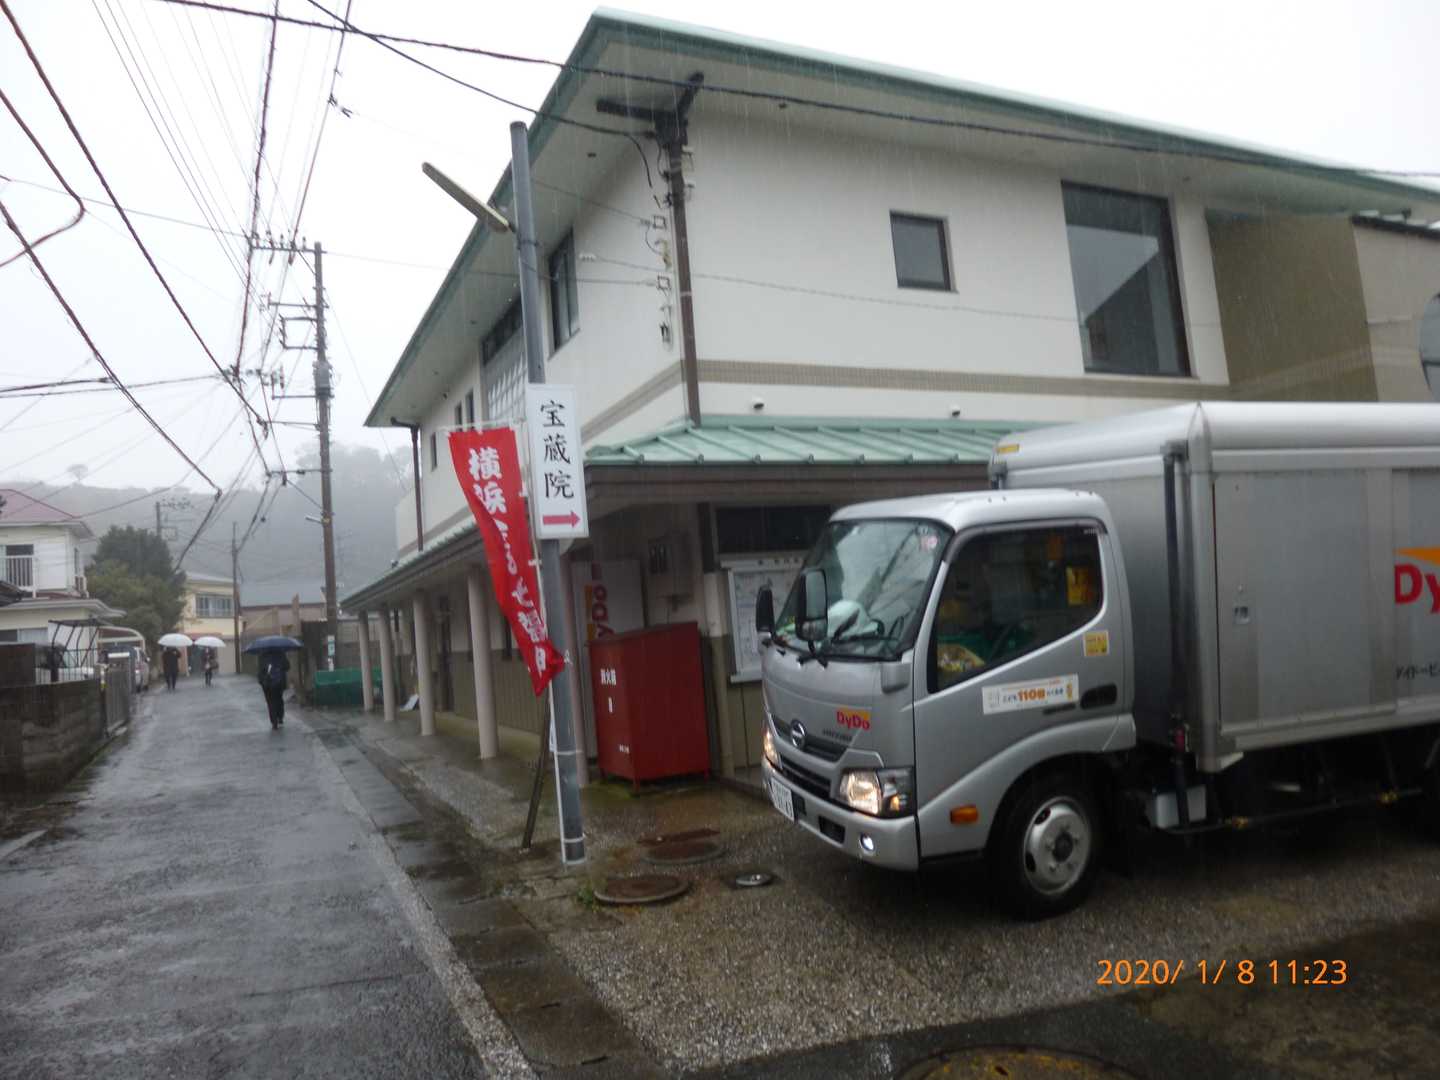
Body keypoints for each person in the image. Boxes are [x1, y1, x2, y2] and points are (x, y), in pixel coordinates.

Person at [257, 648, 290, 729]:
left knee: (270, 702)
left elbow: (260, 669)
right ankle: (280, 716)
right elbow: (287, 666)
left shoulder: (262, 654)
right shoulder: (280, 652)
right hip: (279, 681)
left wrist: (261, 680)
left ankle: (274, 721)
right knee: (279, 699)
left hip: (267, 682)